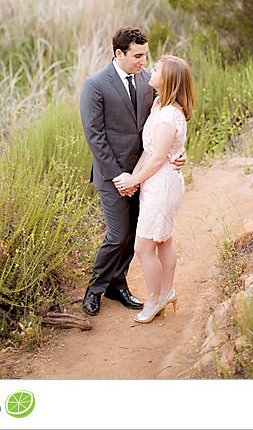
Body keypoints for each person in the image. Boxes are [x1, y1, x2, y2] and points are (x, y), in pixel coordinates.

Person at [79, 27, 184, 317]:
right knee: (117, 235)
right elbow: (95, 136)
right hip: (112, 175)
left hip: (145, 174)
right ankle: (95, 289)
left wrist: (177, 151)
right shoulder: (96, 85)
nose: (143, 61)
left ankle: (118, 284)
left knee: (136, 234)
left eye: (145, 55)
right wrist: (118, 178)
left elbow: (164, 121)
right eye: (137, 56)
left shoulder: (147, 78)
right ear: (119, 54)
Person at [113, 55, 195, 324]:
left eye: (157, 68)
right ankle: (166, 291)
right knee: (164, 239)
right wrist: (135, 179)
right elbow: (153, 152)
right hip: (157, 182)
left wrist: (132, 181)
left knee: (143, 246)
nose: (152, 69)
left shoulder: (169, 113)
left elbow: (159, 157)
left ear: (168, 78)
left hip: (163, 185)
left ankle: (154, 298)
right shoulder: (160, 103)